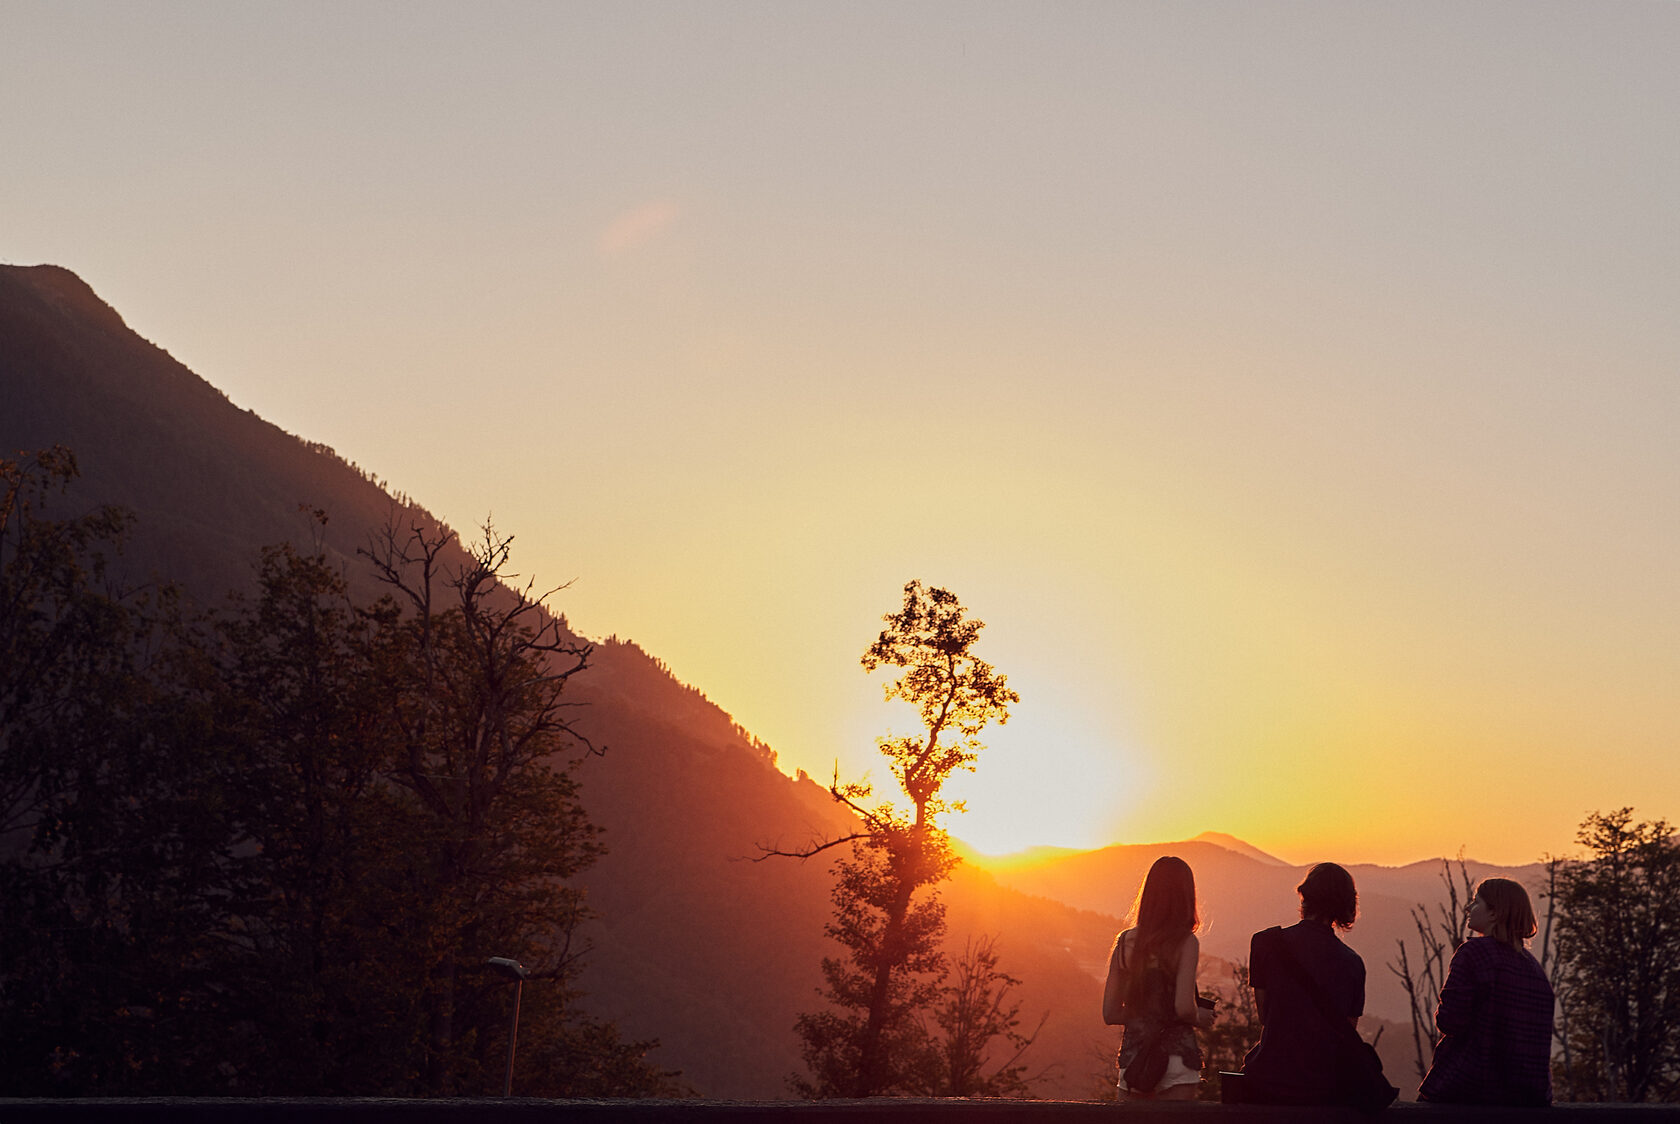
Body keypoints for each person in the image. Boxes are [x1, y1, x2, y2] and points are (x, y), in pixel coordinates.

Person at [1240, 862, 1382, 1105]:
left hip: (1269, 1079)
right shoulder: (1352, 963)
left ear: (1305, 895)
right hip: (1324, 1088)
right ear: (1347, 904)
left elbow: (1266, 1016)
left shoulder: (1265, 943)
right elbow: (1346, 1032)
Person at [1417, 877, 1554, 1106]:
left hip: (1467, 1089)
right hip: (1525, 1098)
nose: (1469, 908)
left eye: (1476, 902)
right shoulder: (1534, 970)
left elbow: (1449, 1022)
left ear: (1494, 913)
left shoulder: (1473, 953)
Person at [1102, 855, 1216, 1100]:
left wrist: (1143, 1012)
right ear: (1186, 896)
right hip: (1177, 1059)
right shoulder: (1185, 942)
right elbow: (1184, 1008)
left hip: (1134, 1062)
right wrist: (1200, 1017)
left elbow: (1110, 1013)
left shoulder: (1125, 942)